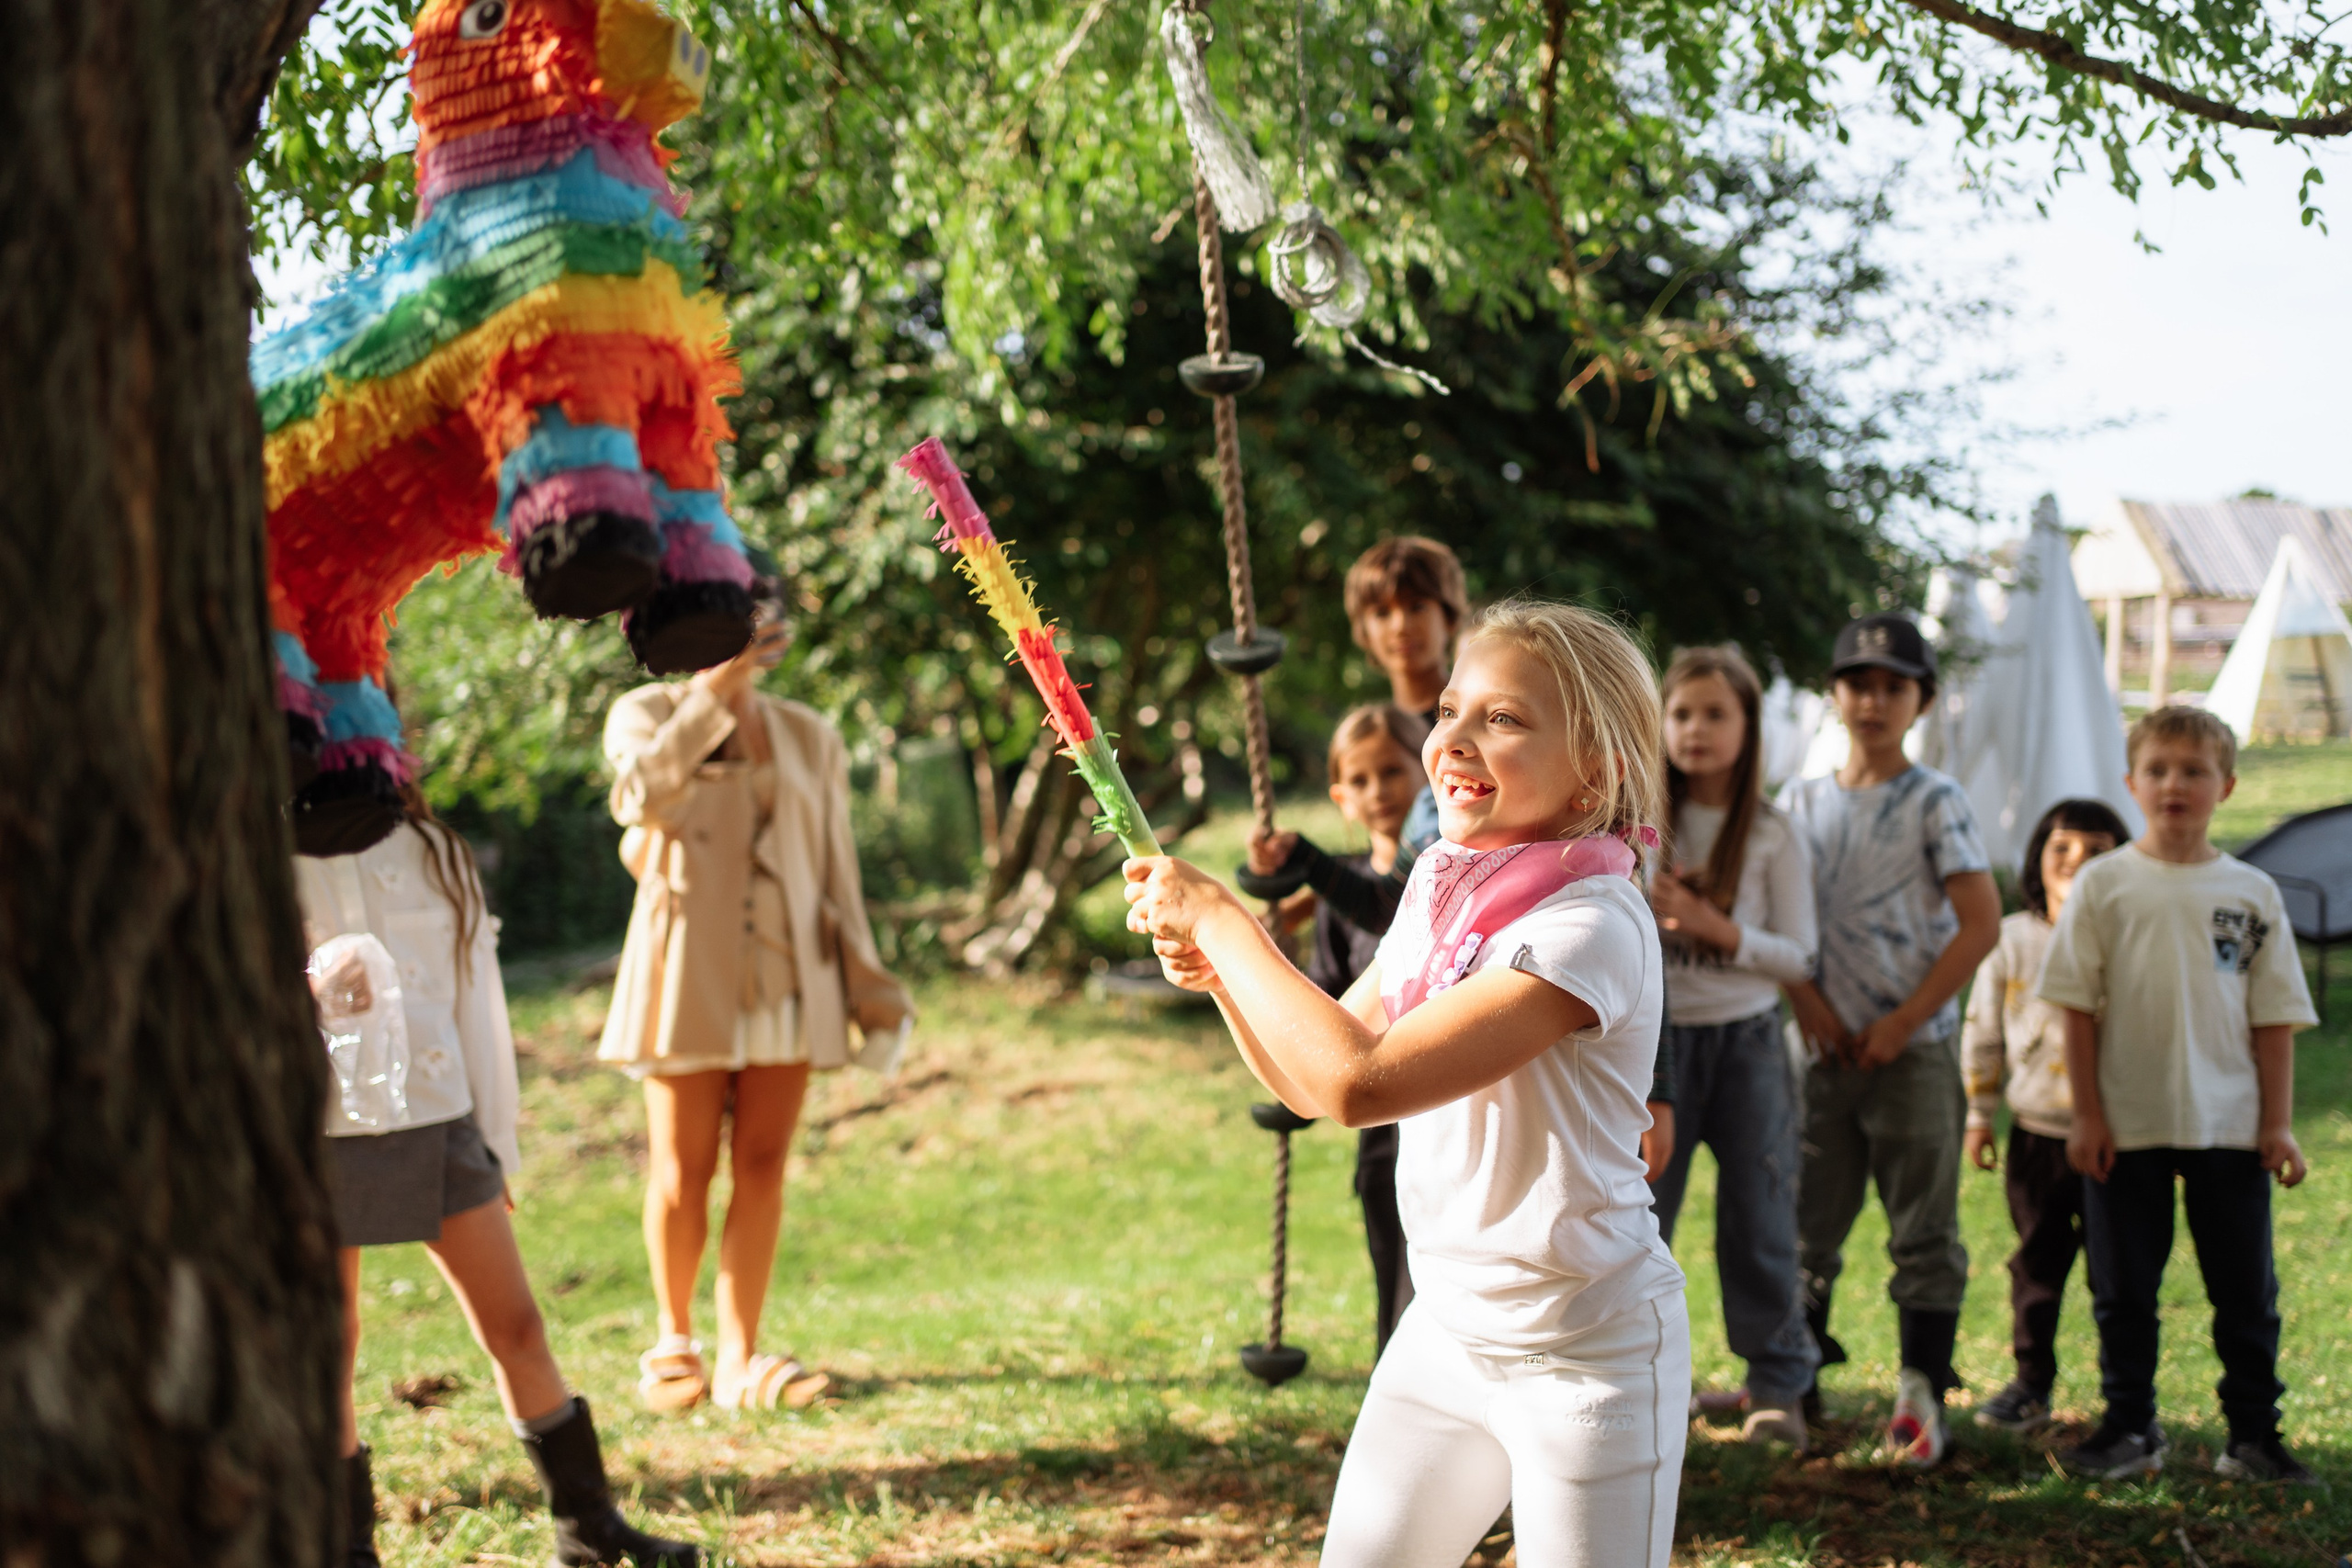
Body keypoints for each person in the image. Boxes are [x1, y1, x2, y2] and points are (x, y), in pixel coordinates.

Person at [1127, 601, 1689, 1568]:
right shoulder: (1447, 884)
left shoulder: (1590, 924)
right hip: (1448, 1332)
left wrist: (1226, 921)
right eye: (1448, 710)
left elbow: (1360, 1085)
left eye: (1503, 720)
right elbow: (1315, 1077)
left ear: (1594, 767)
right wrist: (1224, 978)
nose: (1454, 742)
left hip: (1585, 1357)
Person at [300, 784, 698, 1568]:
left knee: (517, 1325)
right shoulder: (254, 850)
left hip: (440, 1117)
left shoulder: (432, 848)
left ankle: (590, 1531)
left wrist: (496, 1142)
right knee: (327, 1347)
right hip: (313, 1130)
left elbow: (477, 996)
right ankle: (344, 1550)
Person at [599, 591, 912, 1413]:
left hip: (789, 974)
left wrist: (869, 990)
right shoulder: (646, 712)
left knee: (764, 1163)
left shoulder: (812, 733)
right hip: (683, 973)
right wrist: (712, 692)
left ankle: (741, 1355)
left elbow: (837, 870)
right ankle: (675, 1342)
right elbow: (638, 798)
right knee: (682, 1168)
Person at [2038, 707, 2320, 1483]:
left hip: (2230, 1126)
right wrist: (2087, 1115)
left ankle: (2254, 1436)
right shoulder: (2104, 884)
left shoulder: (2252, 891)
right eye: (2158, 768)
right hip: (2124, 1126)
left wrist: (2279, 1123)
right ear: (2132, 783)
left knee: (2246, 1292)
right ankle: (2131, 1426)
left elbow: (2275, 1019)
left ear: (2225, 785)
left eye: (2194, 770)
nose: (2175, 784)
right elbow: (2075, 1008)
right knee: (2125, 1289)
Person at [1780, 612, 2000, 1467]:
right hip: (1820, 1051)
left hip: (1915, 1050)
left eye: (1893, 686)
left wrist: (1904, 1021)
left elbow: (1980, 923)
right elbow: (1772, 917)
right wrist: (1808, 1003)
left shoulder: (1935, 800)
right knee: (1805, 1227)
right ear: (1834, 694)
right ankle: (1796, 1385)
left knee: (1924, 1229)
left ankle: (1920, 1391)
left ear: (1923, 700)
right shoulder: (1797, 800)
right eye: (1858, 682)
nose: (1873, 700)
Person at [1645, 646, 1820, 1450]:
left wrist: (1721, 932)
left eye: (1716, 713)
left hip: (1749, 1042)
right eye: (1682, 713)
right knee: (1644, 1219)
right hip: (1655, 1049)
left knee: (1758, 1216)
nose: (1696, 729)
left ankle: (1777, 1384)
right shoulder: (1639, 822)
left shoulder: (1775, 832)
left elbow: (1800, 956)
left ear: (1749, 727)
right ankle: (1653, 1381)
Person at [1961, 796, 2128, 1434]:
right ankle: (2031, 1383)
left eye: (2098, 852)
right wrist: (1980, 1113)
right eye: (2063, 848)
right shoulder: (2013, 939)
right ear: (2038, 859)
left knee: (2121, 1272)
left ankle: (2125, 1400)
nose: (2078, 862)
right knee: (2038, 1261)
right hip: (2037, 1134)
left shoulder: (2127, 935)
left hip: (2118, 1134)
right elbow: (1982, 1031)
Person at [1270, 704, 1432, 1355]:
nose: (1379, 791)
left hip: (1436, 1089)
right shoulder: (1339, 901)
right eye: (1360, 781)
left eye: (1392, 771)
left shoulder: (1441, 873)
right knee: (1390, 1266)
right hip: (1380, 1127)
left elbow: (1392, 902)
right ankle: (1392, 1376)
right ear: (1340, 796)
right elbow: (1331, 1005)